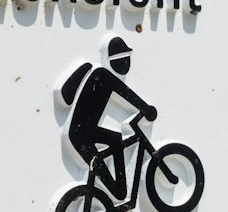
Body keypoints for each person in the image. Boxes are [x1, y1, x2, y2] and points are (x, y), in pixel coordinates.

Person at [59, 36, 157, 199]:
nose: (126, 64)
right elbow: (126, 94)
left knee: (115, 138)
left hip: (84, 132)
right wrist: (146, 109)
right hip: (82, 135)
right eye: (124, 59)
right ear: (114, 61)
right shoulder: (103, 75)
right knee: (118, 189)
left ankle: (116, 190)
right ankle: (117, 192)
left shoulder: (101, 74)